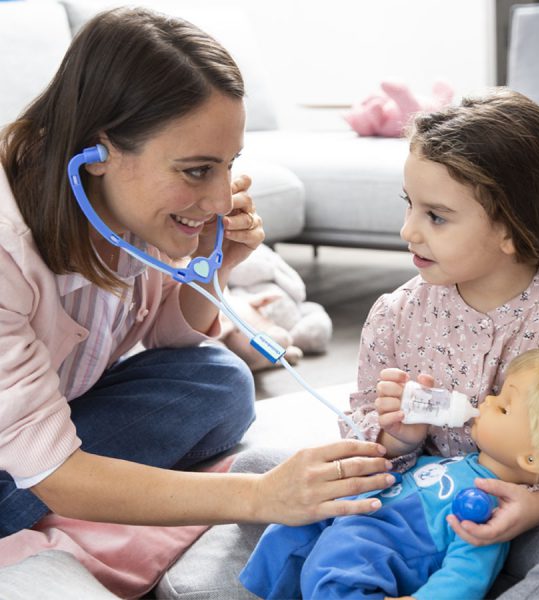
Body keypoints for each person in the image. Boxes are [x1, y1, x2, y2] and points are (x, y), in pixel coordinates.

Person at [0, 7, 395, 596]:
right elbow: (54, 474)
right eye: (195, 170)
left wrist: (218, 266)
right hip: (26, 459)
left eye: (228, 165)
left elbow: (166, 337)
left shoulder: (122, 204)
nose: (217, 197)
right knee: (56, 475)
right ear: (98, 149)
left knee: (218, 379)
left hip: (49, 412)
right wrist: (261, 497)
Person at [176, 88, 539, 600]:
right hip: (410, 503)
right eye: (410, 206)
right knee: (257, 470)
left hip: (522, 517)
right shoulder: (399, 315)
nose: (408, 231)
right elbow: (361, 429)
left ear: (513, 227)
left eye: (436, 217)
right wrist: (396, 438)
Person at [239, 340, 539, 599]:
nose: (487, 400)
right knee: (288, 527)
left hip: (375, 554)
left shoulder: (490, 506)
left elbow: (468, 573)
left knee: (333, 574)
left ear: (532, 459)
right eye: (497, 393)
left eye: (503, 407)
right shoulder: (460, 461)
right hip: (362, 520)